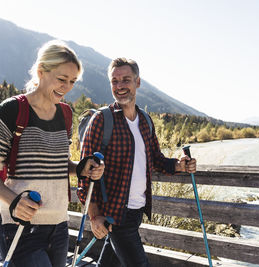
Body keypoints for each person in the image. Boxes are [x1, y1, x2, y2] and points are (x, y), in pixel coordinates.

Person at [0, 40, 104, 267]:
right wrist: (14, 202)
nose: (66, 87)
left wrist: (81, 168)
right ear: (41, 71)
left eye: (72, 82)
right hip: (20, 226)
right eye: (62, 79)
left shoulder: (65, 114)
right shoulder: (12, 110)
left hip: (59, 226)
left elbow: (59, 164)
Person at [77, 57, 197, 267]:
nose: (120, 86)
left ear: (137, 82)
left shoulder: (145, 121)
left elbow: (156, 159)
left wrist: (180, 165)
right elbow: (85, 174)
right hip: (114, 214)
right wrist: (94, 215)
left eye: (126, 80)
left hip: (136, 211)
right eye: (115, 81)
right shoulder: (102, 120)